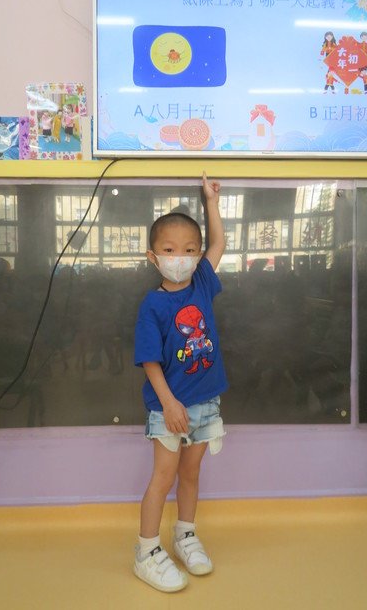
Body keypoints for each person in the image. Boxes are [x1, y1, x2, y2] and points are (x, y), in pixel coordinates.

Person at [133, 172, 228, 593]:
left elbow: (219, 244)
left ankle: (185, 535)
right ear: (153, 256)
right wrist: (170, 404)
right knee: (163, 477)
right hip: (168, 407)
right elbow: (149, 361)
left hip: (207, 403)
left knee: (191, 474)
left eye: (189, 250)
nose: (180, 258)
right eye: (169, 250)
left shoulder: (202, 283)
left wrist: (212, 203)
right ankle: (146, 551)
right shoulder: (153, 305)